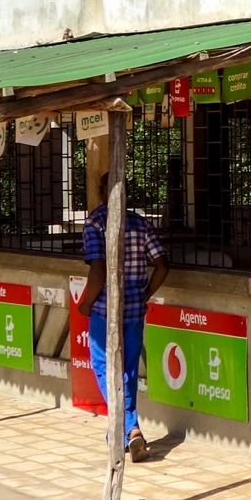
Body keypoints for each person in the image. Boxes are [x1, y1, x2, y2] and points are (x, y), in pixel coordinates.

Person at [74, 171, 168, 463]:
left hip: (105, 310)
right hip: (134, 310)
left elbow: (98, 271)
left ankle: (128, 426)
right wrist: (143, 294)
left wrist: (85, 303)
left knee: (103, 368)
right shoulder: (140, 223)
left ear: (102, 190)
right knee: (127, 370)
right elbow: (162, 265)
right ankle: (129, 430)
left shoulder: (96, 223)